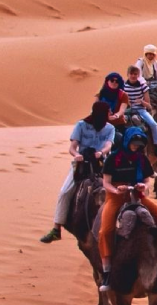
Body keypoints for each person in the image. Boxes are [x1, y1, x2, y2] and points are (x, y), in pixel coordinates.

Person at [97, 129, 157, 289]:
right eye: (133, 144)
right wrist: (117, 190)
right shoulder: (113, 158)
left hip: (137, 195)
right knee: (105, 231)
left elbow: (147, 179)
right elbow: (106, 182)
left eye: (138, 145)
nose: (135, 147)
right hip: (116, 196)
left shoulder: (141, 158)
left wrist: (143, 185)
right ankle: (107, 271)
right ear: (127, 141)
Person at [40, 101, 115, 243]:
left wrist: (101, 152)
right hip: (81, 164)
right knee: (64, 192)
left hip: (101, 164)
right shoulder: (81, 125)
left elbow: (108, 145)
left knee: (118, 190)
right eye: (107, 113)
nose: (109, 115)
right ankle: (56, 229)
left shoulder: (110, 128)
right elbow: (72, 147)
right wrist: (76, 155)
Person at [120, 64, 157, 146]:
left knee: (153, 124)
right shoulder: (123, 87)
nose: (133, 76)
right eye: (131, 74)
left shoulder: (143, 86)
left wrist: (142, 102)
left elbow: (149, 106)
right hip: (126, 111)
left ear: (138, 75)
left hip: (141, 110)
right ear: (128, 74)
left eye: (135, 74)